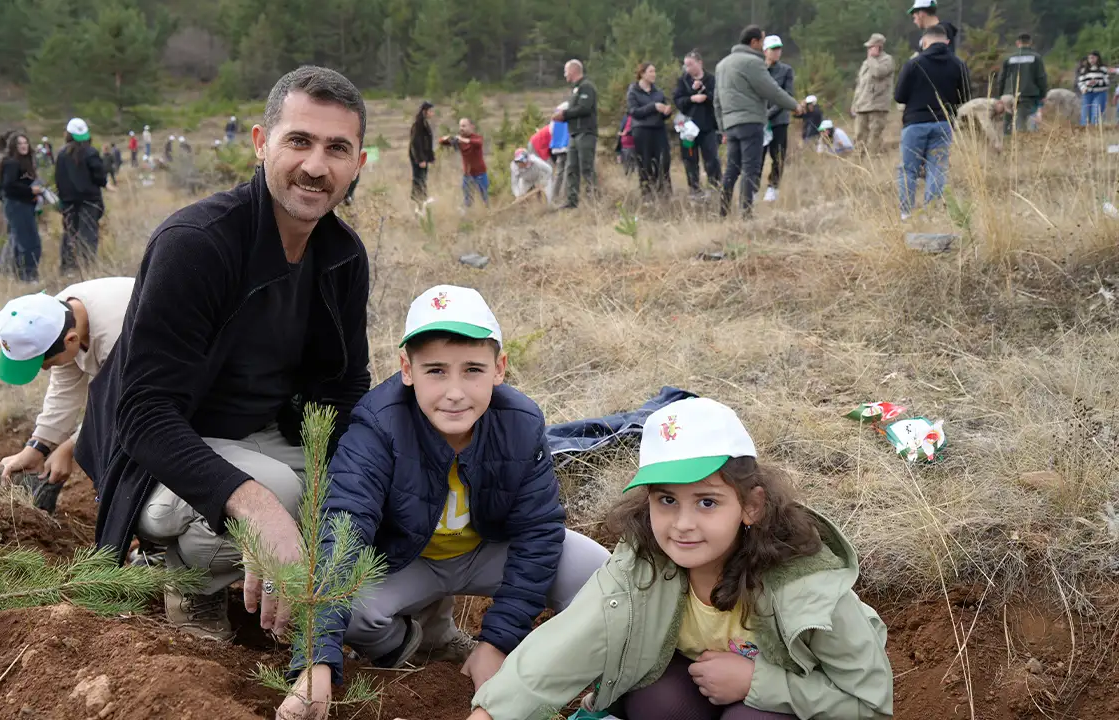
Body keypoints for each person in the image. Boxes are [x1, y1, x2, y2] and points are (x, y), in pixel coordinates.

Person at [74, 66, 371, 645]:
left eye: (337, 148)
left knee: (362, 489)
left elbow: (344, 388)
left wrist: (381, 469)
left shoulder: (342, 256)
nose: (316, 166)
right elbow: (143, 416)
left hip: (259, 429)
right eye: (299, 141)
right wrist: (260, 509)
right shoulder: (197, 245)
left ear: (358, 163)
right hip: (154, 446)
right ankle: (187, 580)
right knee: (278, 495)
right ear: (262, 144)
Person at [283, 284, 611, 720]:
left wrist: (495, 645)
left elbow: (538, 534)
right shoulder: (377, 424)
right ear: (406, 369)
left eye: (472, 370)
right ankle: (413, 643)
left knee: (598, 573)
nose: (455, 392)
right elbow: (343, 527)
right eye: (435, 371)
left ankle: (578, 670)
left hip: (485, 550)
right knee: (356, 612)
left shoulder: (521, 422)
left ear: (499, 369)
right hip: (406, 558)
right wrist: (316, 661)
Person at [467, 397, 894, 720]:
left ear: (752, 506)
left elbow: (870, 705)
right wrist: (490, 713)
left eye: (707, 502)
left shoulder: (808, 584)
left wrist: (758, 682)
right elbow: (570, 641)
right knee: (657, 701)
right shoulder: (643, 561)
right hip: (699, 685)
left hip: (792, 699)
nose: (682, 524)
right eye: (667, 500)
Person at [0, 278, 135, 513]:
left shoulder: (119, 337)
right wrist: (37, 448)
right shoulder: (56, 314)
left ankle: (151, 541)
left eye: (45, 364)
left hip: (198, 377)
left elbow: (125, 409)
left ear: (71, 340)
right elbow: (64, 389)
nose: (45, 370)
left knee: (130, 449)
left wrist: (69, 448)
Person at [715, 26, 798, 219]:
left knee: (731, 170)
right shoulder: (753, 62)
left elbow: (716, 100)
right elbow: (772, 90)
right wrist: (795, 106)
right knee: (750, 169)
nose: (763, 46)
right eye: (762, 41)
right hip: (751, 122)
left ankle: (723, 212)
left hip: (730, 124)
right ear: (753, 42)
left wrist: (722, 128)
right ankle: (746, 215)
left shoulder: (722, 65)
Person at [895, 25, 971, 220]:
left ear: (925, 42)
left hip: (915, 123)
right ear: (946, 42)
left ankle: (906, 213)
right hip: (943, 124)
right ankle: (930, 214)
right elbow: (965, 96)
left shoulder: (914, 63)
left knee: (908, 169)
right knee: (937, 168)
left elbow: (899, 96)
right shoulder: (958, 64)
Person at [55, 118, 109, 274]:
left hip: (68, 203)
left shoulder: (62, 154)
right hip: (89, 201)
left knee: (69, 233)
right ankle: (87, 267)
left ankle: (67, 267)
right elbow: (100, 177)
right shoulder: (90, 153)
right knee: (88, 234)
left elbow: (59, 180)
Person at [673, 51, 722, 196]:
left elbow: (718, 99)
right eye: (686, 65)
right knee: (689, 160)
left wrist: (704, 93)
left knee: (712, 159)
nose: (687, 68)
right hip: (688, 130)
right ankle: (694, 190)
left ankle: (715, 188)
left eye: (690, 64)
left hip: (708, 127)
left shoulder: (711, 80)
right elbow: (678, 101)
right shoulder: (682, 81)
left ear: (700, 63)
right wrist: (692, 99)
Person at [554, 60, 598, 209]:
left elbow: (584, 108)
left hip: (585, 133)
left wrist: (564, 114)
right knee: (571, 168)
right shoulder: (576, 89)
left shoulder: (586, 87)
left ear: (573, 71)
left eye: (566, 71)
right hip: (573, 134)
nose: (565, 74)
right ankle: (571, 201)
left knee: (587, 167)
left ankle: (594, 201)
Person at [1, 133, 44, 282]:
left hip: (26, 205)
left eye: (25, 143)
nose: (24, 146)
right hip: (16, 205)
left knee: (30, 241)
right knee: (27, 242)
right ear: (14, 146)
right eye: (20, 144)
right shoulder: (11, 163)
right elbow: (8, 186)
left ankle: (25, 274)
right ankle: (27, 276)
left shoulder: (26, 162)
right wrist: (30, 191)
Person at [628, 62, 673, 199]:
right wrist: (653, 107)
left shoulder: (658, 92)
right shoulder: (633, 91)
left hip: (659, 130)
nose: (654, 74)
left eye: (654, 71)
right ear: (642, 74)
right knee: (645, 163)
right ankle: (647, 194)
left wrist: (667, 112)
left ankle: (665, 193)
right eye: (651, 71)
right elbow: (633, 111)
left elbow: (664, 111)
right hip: (642, 131)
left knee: (664, 161)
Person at [761, 35, 794, 203]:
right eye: (773, 49)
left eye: (779, 48)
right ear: (765, 51)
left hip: (779, 120)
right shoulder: (758, 69)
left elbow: (786, 96)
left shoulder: (786, 70)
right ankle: (751, 190)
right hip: (759, 121)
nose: (777, 52)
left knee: (778, 156)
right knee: (757, 157)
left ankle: (773, 187)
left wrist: (769, 114)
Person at [852, 33, 896, 154]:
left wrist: (872, 59)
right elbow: (860, 85)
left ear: (878, 47)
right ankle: (858, 163)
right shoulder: (866, 63)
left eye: (871, 47)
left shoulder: (887, 60)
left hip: (877, 105)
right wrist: (855, 103)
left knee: (874, 136)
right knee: (859, 136)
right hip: (862, 105)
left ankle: (872, 163)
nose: (868, 49)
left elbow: (878, 72)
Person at [1000, 33, 1049, 134]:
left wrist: (1001, 95)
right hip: (1028, 96)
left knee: (1008, 124)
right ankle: (1023, 144)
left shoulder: (1009, 58)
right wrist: (1043, 94)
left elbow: (1001, 78)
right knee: (1026, 124)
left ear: (1018, 43)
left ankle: (1008, 144)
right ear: (1030, 43)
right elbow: (1041, 78)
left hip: (1009, 96)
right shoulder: (1036, 58)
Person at [441, 118, 488, 208]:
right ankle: (468, 217)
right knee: (468, 200)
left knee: (484, 198)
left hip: (480, 174)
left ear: (471, 127)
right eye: (460, 126)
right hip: (467, 175)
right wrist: (448, 138)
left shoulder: (477, 137)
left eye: (464, 126)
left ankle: (487, 214)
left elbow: (478, 143)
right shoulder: (459, 140)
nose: (461, 128)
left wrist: (462, 139)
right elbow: (441, 141)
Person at [409, 101, 436, 203]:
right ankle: (418, 199)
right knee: (419, 178)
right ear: (425, 112)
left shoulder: (424, 123)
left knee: (423, 177)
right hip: (418, 157)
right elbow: (415, 143)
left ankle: (422, 198)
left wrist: (430, 157)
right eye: (431, 111)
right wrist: (420, 159)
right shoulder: (418, 125)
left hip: (423, 156)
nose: (432, 113)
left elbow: (427, 142)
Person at [1078, 52, 1112, 126]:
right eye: (1089, 58)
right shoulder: (1084, 70)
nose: (1091, 60)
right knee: (1085, 113)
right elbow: (1080, 82)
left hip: (1100, 93)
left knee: (1096, 112)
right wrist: (1084, 87)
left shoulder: (1103, 69)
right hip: (1087, 93)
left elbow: (1107, 82)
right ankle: (1084, 130)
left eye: (1093, 58)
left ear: (1097, 58)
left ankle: (1095, 130)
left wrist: (1096, 82)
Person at [548, 106, 571, 203]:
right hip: (568, 146)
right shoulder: (570, 110)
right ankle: (564, 197)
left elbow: (551, 131)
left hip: (557, 147)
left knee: (559, 172)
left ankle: (553, 197)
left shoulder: (557, 111)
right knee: (568, 171)